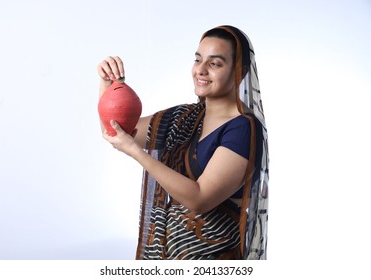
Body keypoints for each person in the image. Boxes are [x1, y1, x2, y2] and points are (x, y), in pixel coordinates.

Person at [97, 25, 269, 260]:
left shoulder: (243, 129)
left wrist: (137, 154)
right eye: (198, 60)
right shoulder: (184, 119)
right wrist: (109, 85)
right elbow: (117, 130)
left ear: (239, 71)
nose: (201, 70)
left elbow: (199, 199)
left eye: (215, 64)